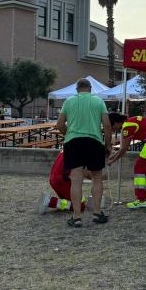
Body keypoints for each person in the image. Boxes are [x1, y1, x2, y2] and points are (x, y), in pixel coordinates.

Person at [56, 78, 111, 228]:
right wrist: (108, 144)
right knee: (97, 178)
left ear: (77, 89)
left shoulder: (68, 101)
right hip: (94, 142)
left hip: (73, 142)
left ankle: (77, 216)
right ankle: (97, 212)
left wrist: (69, 134)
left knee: (76, 179)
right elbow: (106, 124)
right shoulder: (99, 101)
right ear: (91, 89)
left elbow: (59, 125)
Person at [106, 112, 146, 209]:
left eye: (112, 126)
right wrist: (112, 157)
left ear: (117, 123)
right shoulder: (130, 121)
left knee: (139, 168)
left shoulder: (127, 126)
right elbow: (123, 148)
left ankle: (141, 199)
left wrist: (112, 161)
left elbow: (123, 149)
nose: (113, 129)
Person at [39, 151, 104, 213]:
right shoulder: (83, 152)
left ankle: (56, 202)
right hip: (62, 181)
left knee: (70, 201)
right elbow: (86, 173)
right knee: (80, 207)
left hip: (54, 179)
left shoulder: (70, 145)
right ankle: (50, 201)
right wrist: (98, 178)